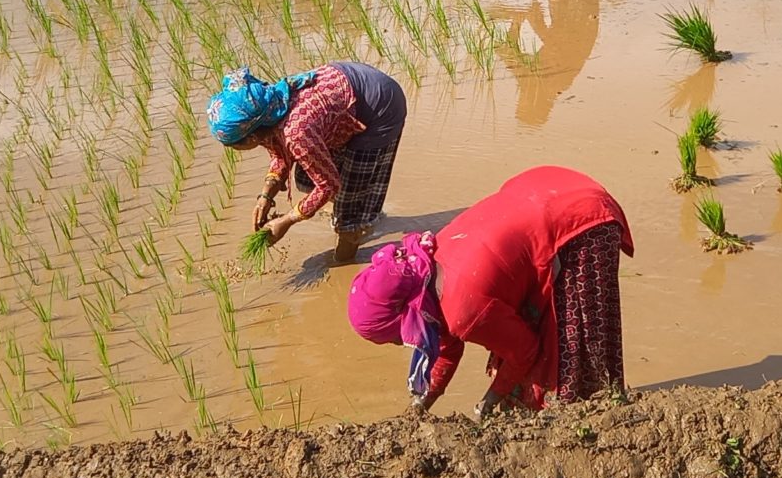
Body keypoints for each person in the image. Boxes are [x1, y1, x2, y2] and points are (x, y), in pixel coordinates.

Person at [346, 164, 634, 415]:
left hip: (579, 222)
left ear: (406, 313)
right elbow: (447, 347)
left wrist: (489, 401)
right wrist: (421, 404)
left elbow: (524, 350)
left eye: (395, 338)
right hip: (545, 189)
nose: (401, 344)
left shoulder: (462, 308)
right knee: (523, 350)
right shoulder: (427, 269)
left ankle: (599, 409)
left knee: (572, 342)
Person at [206, 60, 408, 265]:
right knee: (305, 178)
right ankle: (359, 207)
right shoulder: (267, 112)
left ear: (251, 138)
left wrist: (287, 221)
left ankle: (344, 257)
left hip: (381, 108)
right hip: (352, 95)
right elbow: (280, 155)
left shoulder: (296, 133)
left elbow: (328, 185)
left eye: (233, 146)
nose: (234, 151)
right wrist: (266, 195)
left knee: (349, 211)